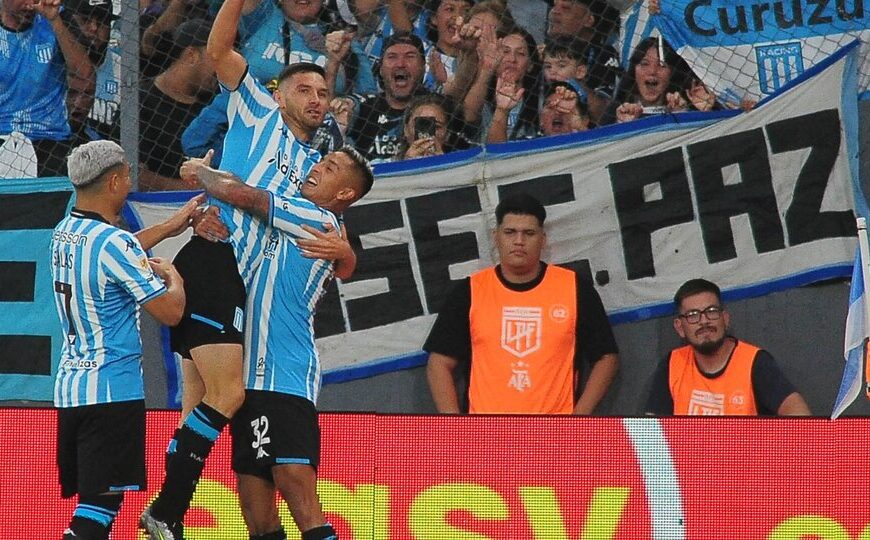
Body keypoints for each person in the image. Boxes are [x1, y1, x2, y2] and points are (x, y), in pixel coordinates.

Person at [141, 0, 358, 535]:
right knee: (222, 398)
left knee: (199, 405)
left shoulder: (315, 171)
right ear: (278, 93)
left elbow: (337, 237)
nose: (315, 98)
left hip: (235, 287)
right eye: (303, 89)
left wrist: (347, 255)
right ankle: (166, 513)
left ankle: (167, 513)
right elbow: (217, 50)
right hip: (216, 261)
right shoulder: (256, 108)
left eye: (323, 93)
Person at [183, 145, 374, 540]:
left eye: (331, 168)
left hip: (285, 373)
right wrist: (201, 219)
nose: (318, 167)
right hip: (244, 380)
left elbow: (247, 195)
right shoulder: (287, 212)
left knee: (296, 487)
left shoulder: (317, 219)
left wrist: (200, 171)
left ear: (344, 195)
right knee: (256, 511)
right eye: (322, 161)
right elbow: (240, 200)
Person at [51, 140, 198, 539]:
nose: (132, 182)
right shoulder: (113, 244)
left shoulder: (66, 231)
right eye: (129, 175)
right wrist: (175, 280)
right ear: (114, 181)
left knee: (94, 500)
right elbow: (170, 312)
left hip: (71, 391)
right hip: (111, 391)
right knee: (100, 506)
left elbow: (122, 250)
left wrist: (171, 225)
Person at [424, 193, 620, 414]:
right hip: (487, 438)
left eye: (529, 233)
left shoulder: (574, 288)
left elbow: (606, 358)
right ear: (496, 236)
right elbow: (438, 363)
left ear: (543, 239)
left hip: (553, 438)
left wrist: (577, 419)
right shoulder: (470, 291)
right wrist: (455, 428)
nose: (519, 241)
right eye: (510, 232)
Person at [644, 279, 812, 416]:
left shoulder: (754, 361)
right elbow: (650, 430)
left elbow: (799, 413)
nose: (704, 321)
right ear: (680, 327)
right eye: (693, 315)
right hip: (687, 456)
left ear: (725, 318)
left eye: (711, 311)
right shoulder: (673, 363)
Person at [0, 0, 95, 176]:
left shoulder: (58, 17)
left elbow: (84, 75)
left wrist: (54, 20)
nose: (31, 6)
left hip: (49, 134)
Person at [138, 18, 217, 191]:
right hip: (154, 209)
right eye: (216, 56)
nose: (222, 65)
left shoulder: (218, 101)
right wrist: (190, 191)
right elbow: (134, 174)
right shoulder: (141, 101)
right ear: (191, 55)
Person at [332, 31, 429, 162]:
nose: (400, 64)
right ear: (381, 69)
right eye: (392, 57)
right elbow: (330, 116)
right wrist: (333, 62)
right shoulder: (365, 106)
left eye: (410, 56)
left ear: (423, 67)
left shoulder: (434, 107)